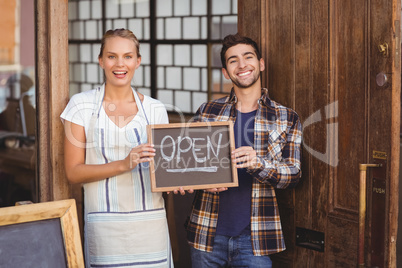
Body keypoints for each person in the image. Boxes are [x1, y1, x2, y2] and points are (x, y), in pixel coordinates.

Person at [185, 33, 302, 267]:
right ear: (226, 72)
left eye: (248, 57)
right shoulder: (208, 111)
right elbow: (188, 165)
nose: (242, 65)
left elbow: (294, 174)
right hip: (206, 234)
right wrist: (198, 180)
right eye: (232, 60)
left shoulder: (286, 117)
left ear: (261, 63)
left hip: (256, 239)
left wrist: (258, 163)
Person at [61, 28, 174, 268]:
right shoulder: (81, 105)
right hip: (105, 229)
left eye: (128, 56)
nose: (120, 64)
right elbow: (73, 172)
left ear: (138, 61)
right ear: (101, 60)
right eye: (112, 56)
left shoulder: (155, 109)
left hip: (150, 227)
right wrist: (124, 164)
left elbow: (166, 168)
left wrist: (181, 180)